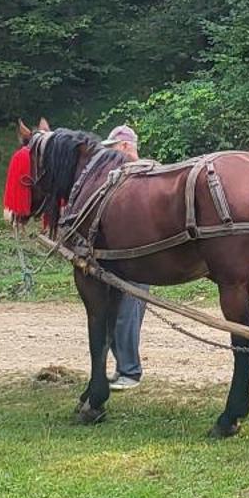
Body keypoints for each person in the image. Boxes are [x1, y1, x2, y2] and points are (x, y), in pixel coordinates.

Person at [102, 125, 146, 391]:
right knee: (115, 314)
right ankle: (122, 368)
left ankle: (130, 372)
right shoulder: (122, 174)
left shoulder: (141, 173)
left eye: (114, 148)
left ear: (127, 146)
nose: (111, 154)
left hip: (140, 257)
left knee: (127, 314)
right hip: (123, 255)